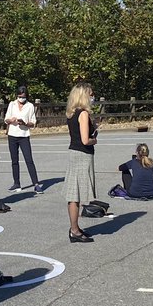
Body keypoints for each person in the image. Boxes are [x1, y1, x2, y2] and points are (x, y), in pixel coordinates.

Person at [63, 81, 98, 243]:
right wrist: (94, 140)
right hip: (82, 154)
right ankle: (74, 230)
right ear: (84, 96)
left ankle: (74, 227)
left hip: (73, 152)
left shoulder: (71, 113)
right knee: (75, 194)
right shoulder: (83, 114)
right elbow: (85, 140)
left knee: (73, 193)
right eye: (90, 94)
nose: (93, 97)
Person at [3, 84, 43, 193]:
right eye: (19, 96)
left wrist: (25, 123)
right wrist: (11, 120)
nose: (21, 98)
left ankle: (36, 183)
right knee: (14, 160)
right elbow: (6, 119)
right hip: (12, 135)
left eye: (23, 96)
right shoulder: (12, 104)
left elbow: (33, 122)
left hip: (24, 135)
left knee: (29, 159)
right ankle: (17, 183)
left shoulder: (30, 106)